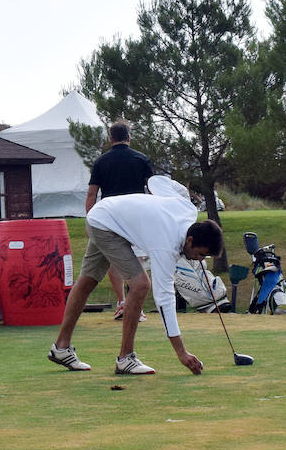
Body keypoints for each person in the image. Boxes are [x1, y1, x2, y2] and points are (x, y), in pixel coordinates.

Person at [49, 175, 222, 375]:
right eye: (199, 254)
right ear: (190, 240)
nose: (198, 260)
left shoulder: (188, 209)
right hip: (106, 224)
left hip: (103, 215)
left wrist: (182, 193)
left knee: (87, 280)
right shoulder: (166, 244)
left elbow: (156, 182)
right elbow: (164, 299)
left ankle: (61, 348)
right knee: (141, 284)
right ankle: (126, 358)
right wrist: (181, 352)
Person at [85, 120, 154, 321]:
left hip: (108, 218)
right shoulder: (141, 159)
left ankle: (123, 302)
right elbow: (152, 189)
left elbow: (92, 194)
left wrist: (90, 220)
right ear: (129, 137)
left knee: (114, 261)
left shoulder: (101, 161)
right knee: (137, 260)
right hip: (135, 217)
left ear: (111, 138)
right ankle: (136, 307)